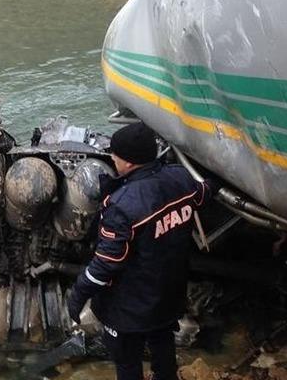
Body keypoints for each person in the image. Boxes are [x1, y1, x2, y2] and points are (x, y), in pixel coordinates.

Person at [67, 122, 212, 380]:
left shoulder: (122, 206)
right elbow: (204, 193)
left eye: (116, 155)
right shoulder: (181, 178)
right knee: (163, 346)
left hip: (128, 308)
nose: (112, 158)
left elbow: (106, 265)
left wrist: (77, 296)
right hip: (169, 294)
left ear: (131, 163)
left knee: (127, 362)